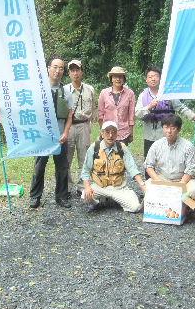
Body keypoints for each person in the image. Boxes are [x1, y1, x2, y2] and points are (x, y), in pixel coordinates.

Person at [29, 56, 74, 209]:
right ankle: (35, 197)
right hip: (42, 137)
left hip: (60, 136)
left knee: (62, 167)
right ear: (48, 68)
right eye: (55, 67)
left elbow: (69, 115)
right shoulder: (38, 89)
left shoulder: (66, 91)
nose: (58, 71)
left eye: (61, 68)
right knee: (39, 166)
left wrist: (66, 132)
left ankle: (61, 196)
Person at [135, 65, 195, 158]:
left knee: (167, 159)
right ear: (146, 80)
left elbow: (180, 107)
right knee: (150, 160)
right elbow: (137, 113)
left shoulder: (168, 93)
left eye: (156, 76)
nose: (153, 79)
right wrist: (149, 106)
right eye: (150, 77)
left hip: (167, 133)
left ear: (161, 79)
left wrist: (193, 116)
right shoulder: (142, 95)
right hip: (149, 134)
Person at [81, 121, 146, 212]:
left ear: (117, 134)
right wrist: (87, 187)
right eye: (107, 132)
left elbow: (132, 168)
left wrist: (143, 186)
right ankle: (100, 202)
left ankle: (113, 199)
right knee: (85, 195)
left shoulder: (121, 148)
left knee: (135, 208)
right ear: (102, 134)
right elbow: (85, 171)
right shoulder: (94, 148)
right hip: (100, 187)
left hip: (118, 188)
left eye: (113, 132)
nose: (110, 135)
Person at [144, 114, 195, 200]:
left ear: (179, 129)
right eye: (166, 127)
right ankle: (168, 202)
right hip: (162, 178)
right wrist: (159, 181)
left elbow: (191, 169)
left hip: (181, 179)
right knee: (147, 187)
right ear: (162, 128)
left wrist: (181, 185)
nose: (169, 131)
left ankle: (184, 206)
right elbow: (148, 166)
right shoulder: (156, 145)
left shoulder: (188, 146)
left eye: (173, 128)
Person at [64, 59, 97, 198]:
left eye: (77, 70)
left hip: (84, 125)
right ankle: (66, 186)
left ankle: (82, 186)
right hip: (69, 126)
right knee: (66, 158)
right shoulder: (65, 90)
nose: (75, 73)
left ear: (82, 71)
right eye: (72, 70)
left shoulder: (90, 89)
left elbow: (94, 108)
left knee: (84, 157)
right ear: (69, 73)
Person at [98, 66, 135, 145]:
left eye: (120, 76)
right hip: (107, 132)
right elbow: (100, 115)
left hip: (123, 133)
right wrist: (102, 131)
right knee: (106, 156)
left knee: (121, 156)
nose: (118, 79)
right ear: (111, 78)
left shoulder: (130, 93)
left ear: (124, 79)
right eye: (115, 76)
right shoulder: (104, 93)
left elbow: (131, 115)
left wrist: (131, 133)